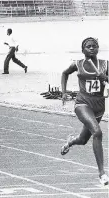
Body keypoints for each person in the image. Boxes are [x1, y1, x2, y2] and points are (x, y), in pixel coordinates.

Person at [61, 37, 108, 186]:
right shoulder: (78, 64)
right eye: (88, 46)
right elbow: (64, 73)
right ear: (83, 50)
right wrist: (63, 92)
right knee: (98, 132)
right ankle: (102, 174)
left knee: (83, 140)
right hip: (83, 104)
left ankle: (71, 142)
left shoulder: (105, 65)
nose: (92, 48)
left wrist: (105, 77)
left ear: (98, 48)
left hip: (99, 107)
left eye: (94, 46)